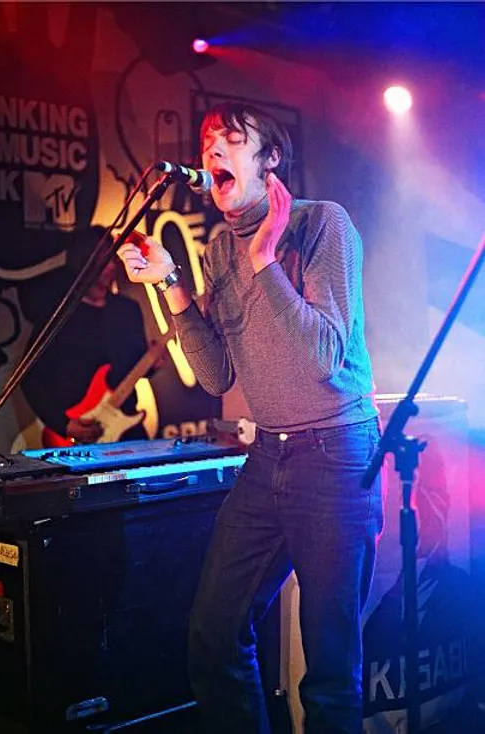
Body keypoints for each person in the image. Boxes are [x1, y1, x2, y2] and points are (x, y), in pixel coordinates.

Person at [117, 101, 383, 734]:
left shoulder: (322, 224)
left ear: (271, 161)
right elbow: (216, 376)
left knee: (330, 671)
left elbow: (322, 356)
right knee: (214, 632)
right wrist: (172, 285)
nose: (212, 151)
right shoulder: (216, 251)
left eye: (232, 140)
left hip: (337, 455)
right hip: (268, 457)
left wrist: (266, 261)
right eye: (207, 142)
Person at [20, 226, 157, 445]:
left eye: (113, 260)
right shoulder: (59, 314)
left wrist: (152, 365)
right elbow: (30, 377)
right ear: (85, 262)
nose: (111, 266)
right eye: (105, 260)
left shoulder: (127, 310)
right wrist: (63, 424)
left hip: (126, 425)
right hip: (80, 425)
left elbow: (132, 366)